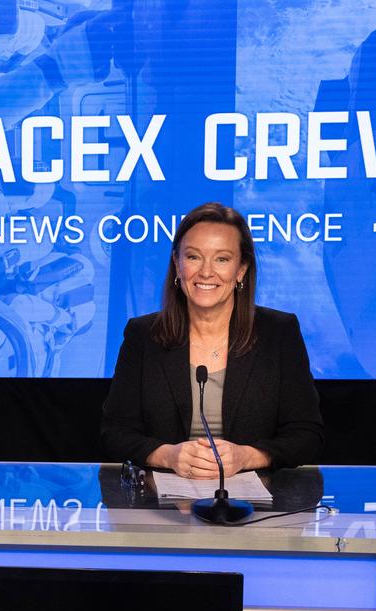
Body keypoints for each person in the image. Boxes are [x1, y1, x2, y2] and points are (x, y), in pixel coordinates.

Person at [101, 202, 323, 478]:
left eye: (222, 259)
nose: (206, 272)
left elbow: (306, 436)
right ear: (177, 264)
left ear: (241, 269)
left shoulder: (279, 332)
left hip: (255, 510)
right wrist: (167, 455)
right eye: (193, 257)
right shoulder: (142, 334)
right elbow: (115, 432)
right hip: (163, 508)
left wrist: (247, 457)